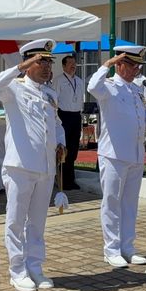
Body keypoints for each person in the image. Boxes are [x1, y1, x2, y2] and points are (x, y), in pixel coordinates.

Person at [0, 39, 66, 291]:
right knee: (16, 221)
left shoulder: (50, 94)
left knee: (37, 222)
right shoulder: (13, 88)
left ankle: (35, 266)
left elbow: (57, 124)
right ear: (29, 63)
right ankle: (17, 270)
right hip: (20, 166)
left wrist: (61, 143)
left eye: (49, 62)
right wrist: (19, 67)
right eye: (41, 62)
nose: (47, 67)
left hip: (45, 167)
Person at [87, 45, 146, 268]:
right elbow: (92, 86)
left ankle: (128, 247)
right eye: (132, 65)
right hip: (113, 155)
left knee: (130, 204)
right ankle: (111, 249)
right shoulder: (108, 86)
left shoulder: (136, 90)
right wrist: (107, 64)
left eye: (138, 66)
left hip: (135, 154)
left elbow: (145, 118)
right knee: (112, 203)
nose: (136, 70)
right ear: (120, 65)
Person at [52, 54, 84, 190]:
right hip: (64, 116)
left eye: (74, 63)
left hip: (76, 116)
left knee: (73, 148)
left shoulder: (79, 81)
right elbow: (54, 100)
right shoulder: (58, 80)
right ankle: (62, 180)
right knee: (64, 148)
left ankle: (71, 179)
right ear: (63, 66)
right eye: (70, 63)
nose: (73, 66)